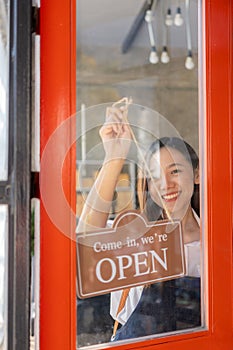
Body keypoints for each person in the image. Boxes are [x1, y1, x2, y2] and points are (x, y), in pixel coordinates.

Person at [77, 103, 201, 341]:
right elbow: (86, 239)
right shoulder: (133, 233)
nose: (165, 184)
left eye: (175, 171)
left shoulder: (216, 240)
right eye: (154, 176)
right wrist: (115, 156)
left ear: (197, 174)